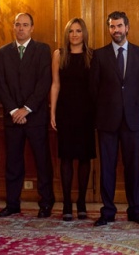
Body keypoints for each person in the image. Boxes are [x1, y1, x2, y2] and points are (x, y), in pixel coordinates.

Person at [90, 11, 139, 226]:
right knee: (107, 168)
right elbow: (94, 89)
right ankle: (108, 212)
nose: (116, 30)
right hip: (107, 121)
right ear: (109, 29)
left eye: (119, 26)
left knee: (133, 168)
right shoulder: (99, 55)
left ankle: (136, 210)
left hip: (133, 120)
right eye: (112, 26)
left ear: (127, 27)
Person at [0, 12, 55, 218]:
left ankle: (46, 203)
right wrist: (14, 110)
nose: (21, 28)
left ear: (32, 27)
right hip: (13, 118)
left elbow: (44, 82)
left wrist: (26, 108)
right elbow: (1, 85)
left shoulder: (42, 50)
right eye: (18, 25)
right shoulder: (3, 53)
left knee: (42, 161)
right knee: (13, 162)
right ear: (14, 27)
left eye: (25, 25)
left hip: (35, 116)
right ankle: (12, 204)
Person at [50, 18, 96, 221]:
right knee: (66, 157)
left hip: (86, 112)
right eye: (71, 31)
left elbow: (96, 88)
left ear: (84, 33)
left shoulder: (92, 56)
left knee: (85, 158)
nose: (75, 34)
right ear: (67, 34)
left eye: (78, 31)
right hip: (65, 111)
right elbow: (55, 84)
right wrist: (52, 112)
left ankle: (82, 202)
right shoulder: (59, 54)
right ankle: (67, 203)